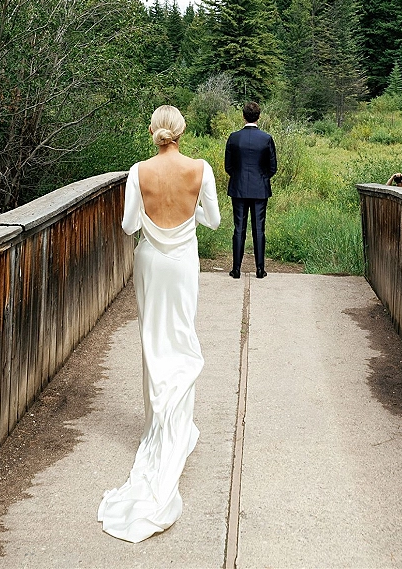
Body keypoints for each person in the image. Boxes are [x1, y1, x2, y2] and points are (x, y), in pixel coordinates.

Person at [98, 105, 220, 543]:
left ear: (153, 131)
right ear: (181, 132)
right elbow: (215, 220)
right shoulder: (200, 168)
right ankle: (175, 424)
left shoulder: (138, 171)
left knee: (152, 338)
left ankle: (158, 422)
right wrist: (190, 219)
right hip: (184, 261)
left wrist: (154, 220)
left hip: (151, 260)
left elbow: (130, 226)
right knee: (182, 338)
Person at [225, 101, 277, 279]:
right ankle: (260, 270)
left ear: (243, 116)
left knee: (239, 228)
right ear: (259, 116)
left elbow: (228, 166)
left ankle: (236, 269)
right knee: (259, 229)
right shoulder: (266, 138)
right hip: (260, 189)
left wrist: (239, 177)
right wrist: (262, 178)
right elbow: (272, 167)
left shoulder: (234, 137)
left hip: (238, 188)